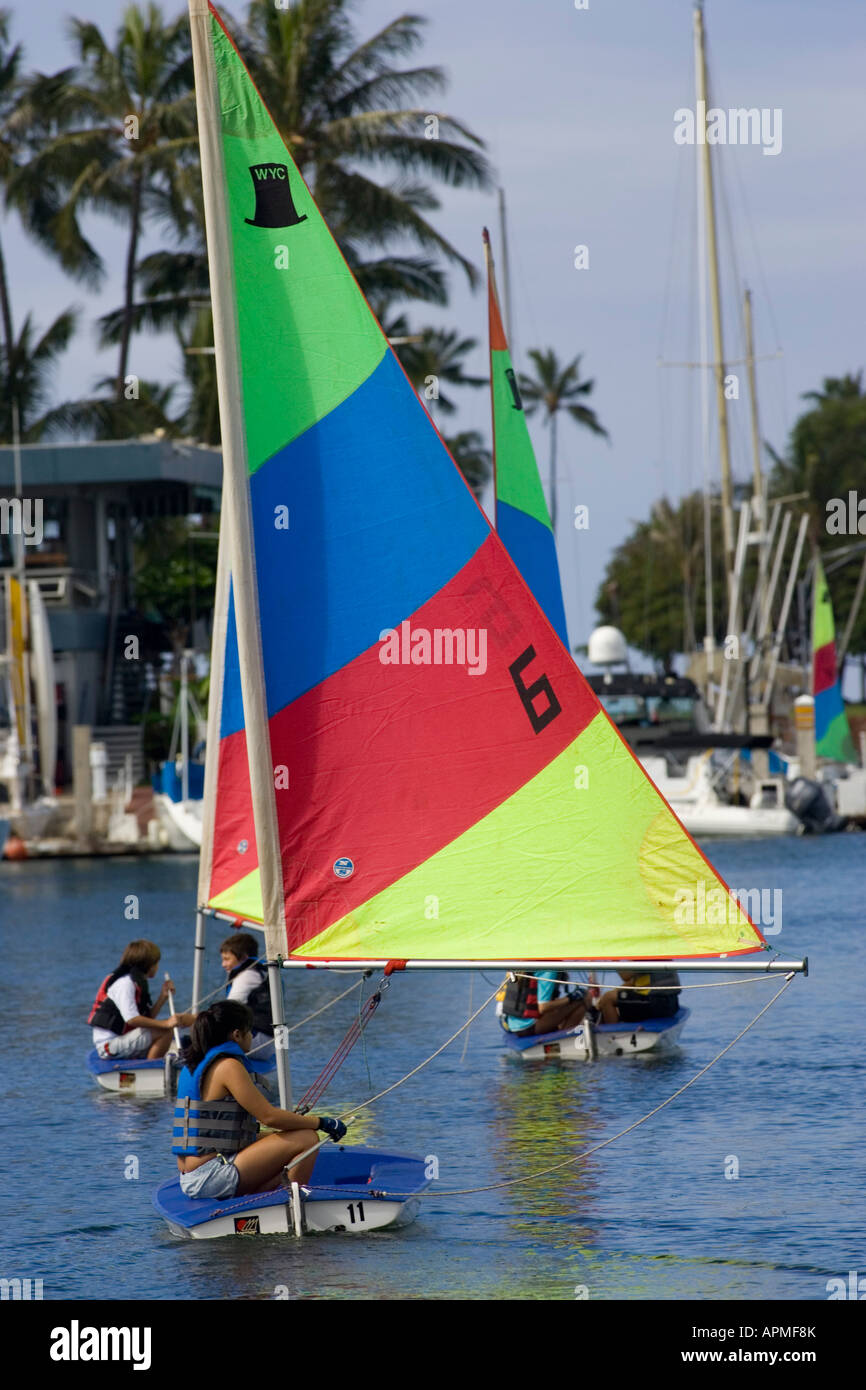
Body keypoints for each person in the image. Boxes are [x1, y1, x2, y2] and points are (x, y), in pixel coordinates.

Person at [172, 1000, 347, 1199]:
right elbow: (269, 1116)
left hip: (192, 1176)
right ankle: (288, 1204)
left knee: (278, 1137)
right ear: (236, 1034)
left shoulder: (194, 1064)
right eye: (250, 1032)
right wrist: (322, 1122)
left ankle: (273, 1193)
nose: (252, 1037)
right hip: (210, 1176)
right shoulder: (228, 1066)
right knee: (307, 1138)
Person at [89, 939, 193, 1060]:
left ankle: (152, 1062)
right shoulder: (125, 983)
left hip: (122, 1040)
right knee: (166, 1031)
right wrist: (166, 1024)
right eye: (156, 963)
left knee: (165, 1029)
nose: (157, 967)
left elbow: (147, 1019)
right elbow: (132, 1019)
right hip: (109, 1046)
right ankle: (151, 1069)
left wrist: (162, 997)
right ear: (147, 966)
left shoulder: (136, 982)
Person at [220, 932, 274, 1060]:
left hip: (259, 1042)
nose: (223, 964)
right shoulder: (259, 972)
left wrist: (191, 1020)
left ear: (244, 957)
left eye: (227, 959)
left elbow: (226, 1011)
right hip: (267, 1041)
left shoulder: (247, 976)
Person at [500, 969, 590, 1036]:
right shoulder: (549, 969)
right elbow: (543, 1007)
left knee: (563, 1004)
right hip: (529, 1027)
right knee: (583, 1001)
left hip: (512, 1025)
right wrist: (570, 998)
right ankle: (565, 1038)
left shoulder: (519, 965)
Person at [596, 969, 681, 1024]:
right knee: (608, 998)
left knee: (608, 999)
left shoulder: (646, 955)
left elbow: (625, 975)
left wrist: (614, 958)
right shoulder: (662, 955)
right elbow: (634, 983)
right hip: (671, 1003)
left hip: (655, 1004)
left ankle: (611, 1035)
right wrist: (612, 993)